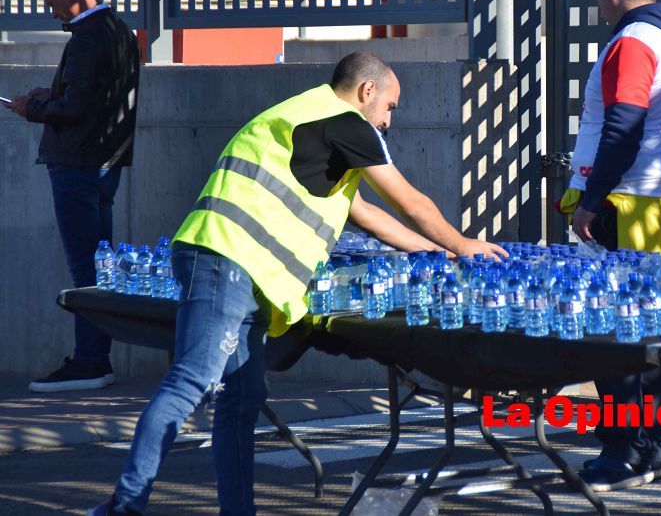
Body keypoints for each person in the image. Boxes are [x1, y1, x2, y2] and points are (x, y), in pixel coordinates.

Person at [88, 52, 506, 515]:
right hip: (227, 259)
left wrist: (443, 254)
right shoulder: (345, 121)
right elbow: (408, 201)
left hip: (238, 268)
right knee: (191, 384)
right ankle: (123, 507)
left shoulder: (312, 120)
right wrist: (465, 244)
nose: (389, 122)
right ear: (367, 92)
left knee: (241, 403)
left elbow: (370, 217)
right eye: (390, 107)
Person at [558, 0, 661, 490]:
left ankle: (625, 450)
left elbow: (622, 127)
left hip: (627, 205)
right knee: (653, 335)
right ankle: (652, 446)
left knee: (614, 334)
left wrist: (591, 200)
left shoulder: (634, 41)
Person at [4, 0, 141, 393]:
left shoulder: (87, 38)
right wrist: (52, 96)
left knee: (86, 267)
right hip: (104, 163)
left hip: (78, 165)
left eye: (51, 2)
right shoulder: (118, 30)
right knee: (101, 265)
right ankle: (95, 357)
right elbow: (94, 97)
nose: (51, 12)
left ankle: (90, 360)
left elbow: (78, 107)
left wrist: (34, 109)